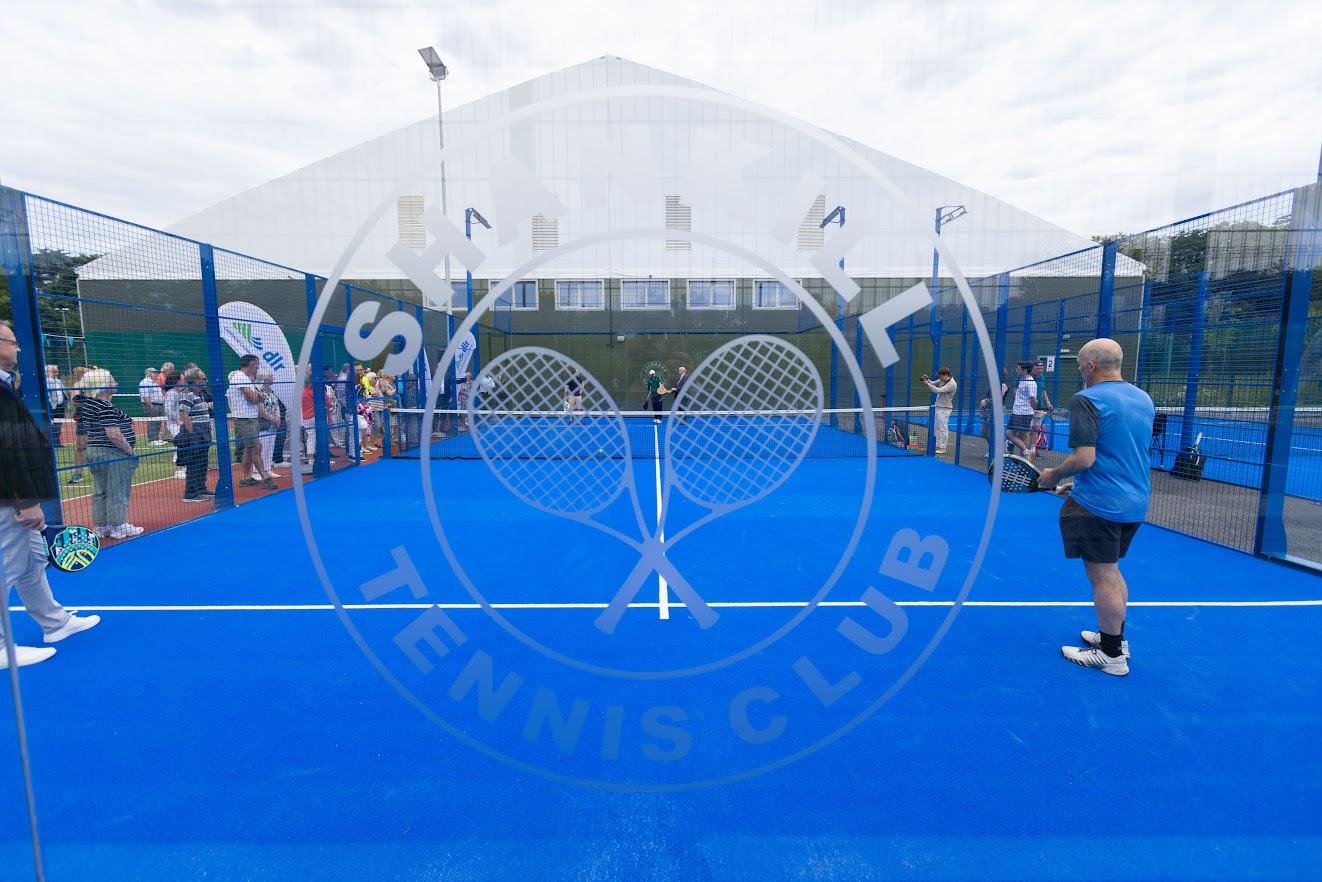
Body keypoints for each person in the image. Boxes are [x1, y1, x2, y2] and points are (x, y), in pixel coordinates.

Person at [1038, 339, 1155, 677]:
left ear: (1090, 366)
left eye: (1080, 365)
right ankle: (1114, 638)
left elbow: (1085, 457)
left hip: (1100, 505)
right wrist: (1081, 484)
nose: (1080, 371)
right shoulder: (1143, 398)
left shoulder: (1086, 399)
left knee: (1102, 575)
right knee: (1112, 571)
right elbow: (1120, 452)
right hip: (1134, 501)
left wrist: (1054, 474)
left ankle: (1111, 655)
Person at [0, 321, 101, 668]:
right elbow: (5, 450)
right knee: (6, 568)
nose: (17, 349)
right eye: (12, 342)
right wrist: (25, 501)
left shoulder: (6, 383)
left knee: (32, 562)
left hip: (13, 495)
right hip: (10, 498)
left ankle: (55, 623)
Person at [80, 368, 143, 540]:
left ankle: (101, 526)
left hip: (95, 451)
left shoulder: (90, 404)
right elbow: (114, 434)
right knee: (118, 489)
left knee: (100, 490)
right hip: (111, 453)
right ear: (102, 385)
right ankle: (118, 526)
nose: (116, 382)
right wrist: (130, 452)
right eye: (111, 380)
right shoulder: (105, 406)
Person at [228, 354, 277, 490]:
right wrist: (257, 396)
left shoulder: (246, 379)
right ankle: (264, 477)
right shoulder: (240, 378)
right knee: (256, 447)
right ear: (251, 364)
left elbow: (258, 396)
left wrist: (257, 396)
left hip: (249, 417)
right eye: (257, 365)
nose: (258, 367)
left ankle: (246, 478)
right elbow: (254, 398)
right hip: (244, 418)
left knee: (249, 448)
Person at [176, 368, 214, 502]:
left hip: (203, 431)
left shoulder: (200, 393)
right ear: (196, 381)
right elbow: (184, 415)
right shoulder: (187, 394)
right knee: (194, 463)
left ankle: (201, 488)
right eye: (204, 378)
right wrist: (192, 434)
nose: (206, 381)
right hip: (195, 433)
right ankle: (191, 493)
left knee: (203, 462)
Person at [255, 368, 284, 479]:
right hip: (262, 424)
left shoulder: (271, 391)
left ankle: (267, 469)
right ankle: (257, 472)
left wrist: (277, 418)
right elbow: (259, 408)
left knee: (270, 447)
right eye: (271, 376)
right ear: (265, 378)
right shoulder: (258, 390)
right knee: (261, 448)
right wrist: (272, 418)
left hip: (272, 424)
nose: (273, 378)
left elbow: (276, 405)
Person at [921, 367, 958, 454]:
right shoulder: (942, 380)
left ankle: (943, 447)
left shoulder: (952, 384)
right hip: (938, 407)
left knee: (943, 429)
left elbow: (938, 390)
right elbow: (933, 383)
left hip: (945, 409)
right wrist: (927, 380)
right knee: (936, 428)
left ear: (946, 375)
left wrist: (927, 384)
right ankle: (938, 446)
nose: (940, 379)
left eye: (941, 377)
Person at [1005, 361, 1037, 457]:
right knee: (1009, 433)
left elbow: (1034, 400)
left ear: (1024, 370)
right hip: (1016, 411)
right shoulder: (1022, 380)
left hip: (1024, 413)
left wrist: (1032, 409)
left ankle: (1025, 456)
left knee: (1024, 434)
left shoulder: (1030, 383)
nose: (1016, 370)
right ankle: (1025, 451)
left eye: (1018, 369)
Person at [1028, 360, 1053, 460]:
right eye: (1038, 368)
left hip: (1040, 408)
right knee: (1026, 431)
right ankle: (1020, 448)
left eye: (1042, 368)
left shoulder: (1042, 377)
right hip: (1027, 408)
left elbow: (1043, 390)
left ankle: (1033, 451)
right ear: (1033, 368)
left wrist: (1048, 402)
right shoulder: (1027, 377)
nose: (1040, 370)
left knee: (1035, 430)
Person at [139, 367, 167, 446]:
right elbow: (145, 396)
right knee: (152, 422)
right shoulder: (144, 382)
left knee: (158, 422)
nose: (157, 374)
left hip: (159, 405)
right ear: (149, 374)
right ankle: (151, 440)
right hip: (152, 405)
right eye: (154, 373)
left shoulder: (155, 382)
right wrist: (150, 406)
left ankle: (156, 438)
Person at [45, 365, 66, 448]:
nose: (57, 373)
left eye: (57, 371)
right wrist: (49, 378)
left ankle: (57, 442)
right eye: (54, 371)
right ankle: (50, 442)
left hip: (60, 406)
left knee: (59, 424)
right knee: (51, 424)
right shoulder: (46, 381)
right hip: (51, 406)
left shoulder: (58, 381)